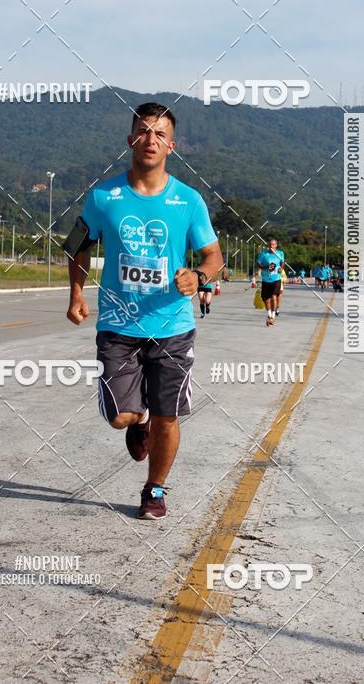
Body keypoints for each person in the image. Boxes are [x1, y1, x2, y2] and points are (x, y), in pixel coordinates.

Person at [64, 103, 222, 520]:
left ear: (172, 145)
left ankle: (155, 489)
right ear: (130, 139)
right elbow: (78, 246)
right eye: (144, 131)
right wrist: (76, 294)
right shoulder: (103, 197)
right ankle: (139, 419)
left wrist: (199, 277)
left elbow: (213, 256)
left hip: (172, 326)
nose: (151, 139)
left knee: (169, 416)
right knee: (121, 416)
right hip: (118, 327)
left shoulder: (188, 200)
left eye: (160, 133)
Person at [257, 237, 285, 326]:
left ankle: (273, 317)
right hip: (266, 279)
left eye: (273, 244)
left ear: (276, 245)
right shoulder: (263, 254)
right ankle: (269, 315)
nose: (271, 246)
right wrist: (266, 267)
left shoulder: (280, 253)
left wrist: (281, 268)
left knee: (274, 297)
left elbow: (282, 263)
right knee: (266, 299)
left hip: (276, 279)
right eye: (270, 244)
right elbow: (258, 264)